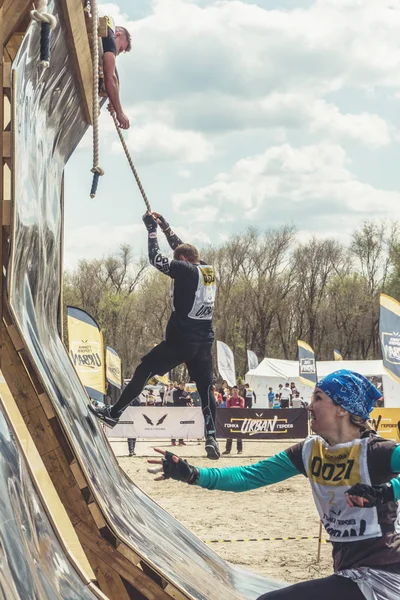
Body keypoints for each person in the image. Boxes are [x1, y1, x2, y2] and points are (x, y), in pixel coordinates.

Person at [148, 369, 400, 600]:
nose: (309, 406)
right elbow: (249, 475)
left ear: (342, 409)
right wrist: (193, 474)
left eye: (319, 398)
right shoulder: (310, 451)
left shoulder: (377, 452)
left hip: (384, 576)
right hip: (349, 574)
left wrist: (386, 491)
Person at [89, 211, 219, 459]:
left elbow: (155, 258)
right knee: (205, 389)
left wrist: (151, 230)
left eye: (177, 258)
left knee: (145, 369)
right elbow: (180, 249)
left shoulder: (185, 271)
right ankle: (211, 436)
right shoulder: (207, 270)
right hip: (204, 343)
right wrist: (165, 226)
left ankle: (114, 413)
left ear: (182, 260)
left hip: (181, 341)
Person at [101, 17, 131, 129]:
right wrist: (120, 112)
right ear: (117, 34)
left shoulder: (103, 43)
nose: (117, 53)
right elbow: (111, 77)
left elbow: (114, 77)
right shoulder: (110, 36)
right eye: (121, 48)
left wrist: (113, 100)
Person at [222, 386, 245, 455]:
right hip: (230, 419)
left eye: (236, 390)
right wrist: (235, 407)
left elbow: (242, 407)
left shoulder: (241, 399)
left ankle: (239, 449)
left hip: (239, 419)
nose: (235, 391)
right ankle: (228, 450)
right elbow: (228, 407)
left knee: (239, 434)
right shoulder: (229, 399)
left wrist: (232, 407)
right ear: (232, 391)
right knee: (229, 434)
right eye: (234, 390)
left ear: (238, 391)